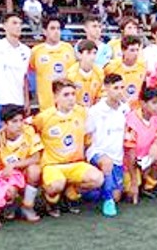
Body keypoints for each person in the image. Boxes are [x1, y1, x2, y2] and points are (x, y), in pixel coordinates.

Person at [32, 79, 104, 217]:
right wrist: (0, 134)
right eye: (66, 95)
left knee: (97, 179)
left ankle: (71, 194)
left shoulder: (82, 112)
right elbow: (27, 129)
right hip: (53, 165)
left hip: (75, 163)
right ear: (55, 97)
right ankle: (51, 200)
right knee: (56, 184)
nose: (71, 98)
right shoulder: (44, 117)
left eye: (72, 94)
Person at [0, 105, 44, 229]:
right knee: (8, 191)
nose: (19, 124)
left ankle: (28, 207)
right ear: (4, 124)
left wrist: (13, 165)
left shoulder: (29, 131)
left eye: (21, 120)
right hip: (8, 180)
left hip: (25, 176)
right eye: (14, 121)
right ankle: (9, 205)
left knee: (35, 170)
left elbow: (36, 158)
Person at [85, 74, 130, 217]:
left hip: (117, 157)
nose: (120, 91)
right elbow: (86, 134)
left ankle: (83, 191)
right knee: (107, 163)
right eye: (115, 88)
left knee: (117, 195)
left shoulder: (125, 109)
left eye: (122, 87)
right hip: (98, 153)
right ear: (106, 88)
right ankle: (108, 201)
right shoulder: (95, 111)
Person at [0, 13, 31, 130]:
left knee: (16, 136)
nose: (18, 26)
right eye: (14, 23)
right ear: (4, 26)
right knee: (0, 135)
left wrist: (26, 100)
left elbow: (24, 77)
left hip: (18, 101)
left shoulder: (26, 51)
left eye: (20, 24)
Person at [124, 87, 157, 202]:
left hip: (146, 158)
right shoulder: (131, 121)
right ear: (143, 103)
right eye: (154, 103)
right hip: (131, 163)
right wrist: (133, 181)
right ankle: (136, 182)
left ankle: (148, 185)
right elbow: (130, 154)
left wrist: (155, 145)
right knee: (125, 194)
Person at [30, 16, 76, 111]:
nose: (56, 31)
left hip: (66, 105)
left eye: (58, 28)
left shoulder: (68, 48)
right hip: (46, 105)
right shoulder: (36, 51)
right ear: (44, 31)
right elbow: (30, 72)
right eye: (52, 28)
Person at [104, 36, 146, 105]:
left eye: (137, 50)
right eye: (132, 50)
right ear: (123, 50)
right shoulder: (111, 67)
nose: (135, 53)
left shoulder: (143, 65)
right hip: (117, 106)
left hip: (137, 108)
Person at [66, 40, 104, 108]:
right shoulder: (70, 74)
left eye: (94, 53)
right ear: (79, 55)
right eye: (88, 53)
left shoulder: (99, 73)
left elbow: (101, 96)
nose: (92, 57)